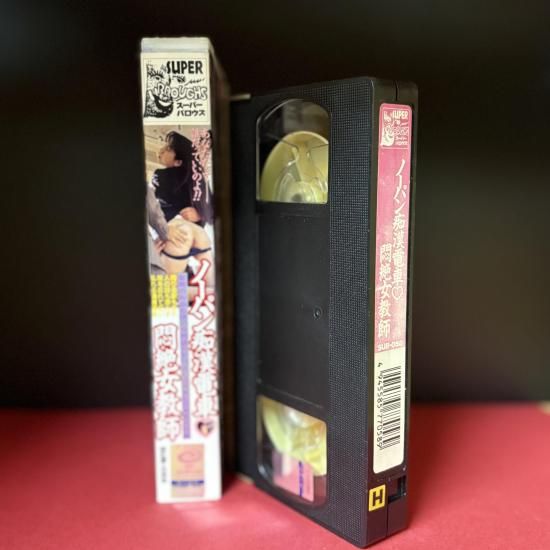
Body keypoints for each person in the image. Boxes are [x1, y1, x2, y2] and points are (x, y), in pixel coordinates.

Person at [152, 131, 213, 226]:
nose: (162, 150)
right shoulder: (197, 181)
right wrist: (201, 215)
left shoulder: (162, 176)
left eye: (169, 149)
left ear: (178, 162)